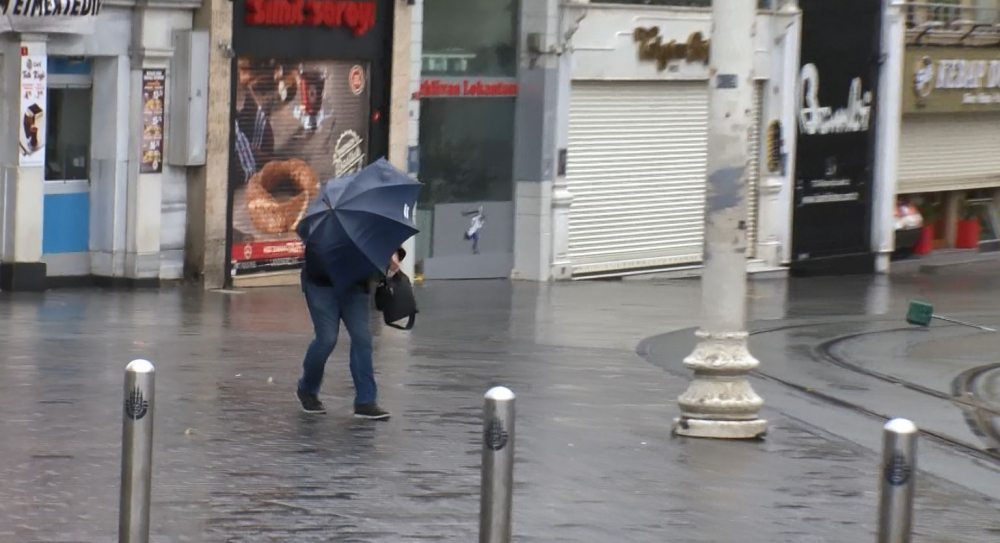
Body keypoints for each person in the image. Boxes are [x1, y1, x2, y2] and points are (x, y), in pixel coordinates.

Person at [295, 247, 404, 419]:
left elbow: (381, 239)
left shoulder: (367, 221)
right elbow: (314, 249)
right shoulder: (323, 222)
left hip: (355, 286)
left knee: (362, 338)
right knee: (327, 339)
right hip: (321, 283)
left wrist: (393, 253)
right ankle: (307, 390)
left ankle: (365, 401)